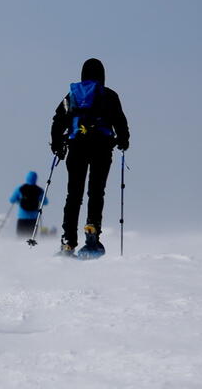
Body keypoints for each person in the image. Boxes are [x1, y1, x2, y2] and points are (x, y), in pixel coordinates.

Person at [50, 58, 129, 258]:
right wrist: (123, 140)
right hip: (102, 148)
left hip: (76, 147)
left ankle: (68, 241)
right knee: (96, 191)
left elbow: (58, 121)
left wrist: (58, 145)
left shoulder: (72, 95)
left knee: (73, 194)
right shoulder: (109, 95)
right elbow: (120, 120)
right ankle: (92, 230)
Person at [9, 171, 48, 239]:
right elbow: (45, 202)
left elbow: (12, 200)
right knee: (30, 239)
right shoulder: (39, 190)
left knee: (20, 237)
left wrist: (19, 201)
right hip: (33, 218)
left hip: (22, 217)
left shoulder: (20, 189)